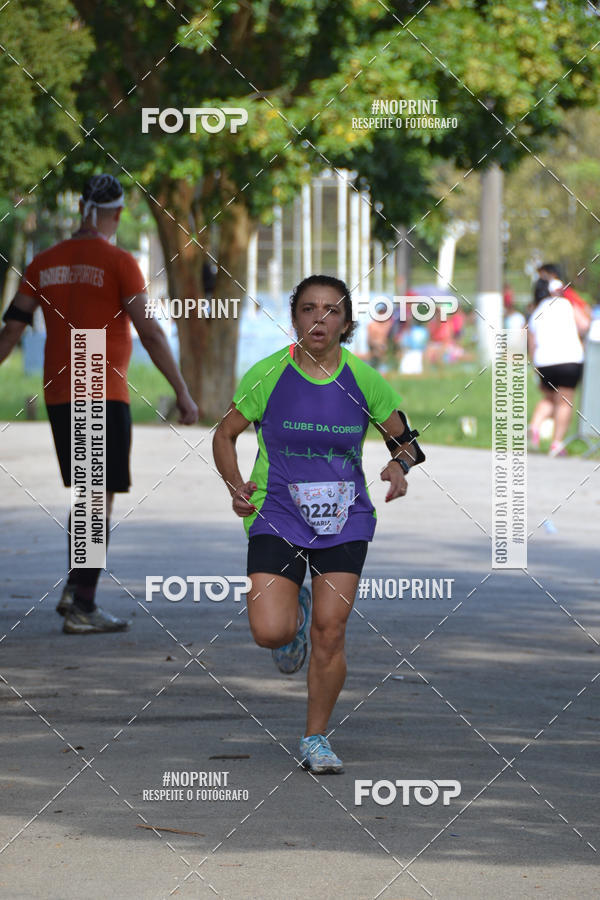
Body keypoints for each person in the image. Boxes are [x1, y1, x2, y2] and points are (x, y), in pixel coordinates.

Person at [212, 274, 424, 774]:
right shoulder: (267, 374)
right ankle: (295, 613)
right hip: (278, 515)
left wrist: (400, 465)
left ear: (347, 323)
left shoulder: (363, 380)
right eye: (308, 309)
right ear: (294, 318)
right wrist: (236, 484)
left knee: (332, 633)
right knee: (270, 632)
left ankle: (315, 738)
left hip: (345, 518)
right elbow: (225, 435)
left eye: (331, 310)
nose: (319, 319)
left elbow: (407, 440)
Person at [0, 174, 198, 633]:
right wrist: (183, 392)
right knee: (95, 496)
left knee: (88, 492)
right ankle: (82, 604)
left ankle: (79, 589)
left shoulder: (42, 262)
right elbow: (148, 331)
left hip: (59, 393)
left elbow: (11, 331)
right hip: (100, 390)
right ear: (117, 214)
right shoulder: (119, 262)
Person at [527, 278, 584, 456]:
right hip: (569, 359)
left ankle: (534, 427)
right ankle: (556, 443)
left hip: (544, 361)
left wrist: (534, 365)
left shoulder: (537, 310)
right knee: (564, 402)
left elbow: (531, 342)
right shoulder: (568, 304)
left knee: (549, 398)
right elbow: (584, 324)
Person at [537, 263, 591, 335]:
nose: (541, 279)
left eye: (544, 275)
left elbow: (585, 308)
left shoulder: (563, 291)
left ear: (553, 275)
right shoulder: (541, 294)